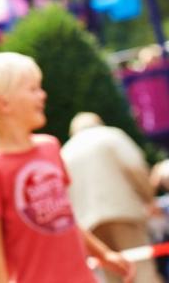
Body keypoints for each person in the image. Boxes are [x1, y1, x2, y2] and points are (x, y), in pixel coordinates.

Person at [0, 51, 135, 283]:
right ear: (4, 104)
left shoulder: (50, 147)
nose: (43, 95)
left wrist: (104, 254)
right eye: (33, 89)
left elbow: (66, 218)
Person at [62, 112, 161, 283]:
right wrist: (149, 198)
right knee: (141, 270)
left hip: (89, 224)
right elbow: (135, 168)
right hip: (124, 212)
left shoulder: (65, 152)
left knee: (112, 275)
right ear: (99, 122)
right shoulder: (112, 136)